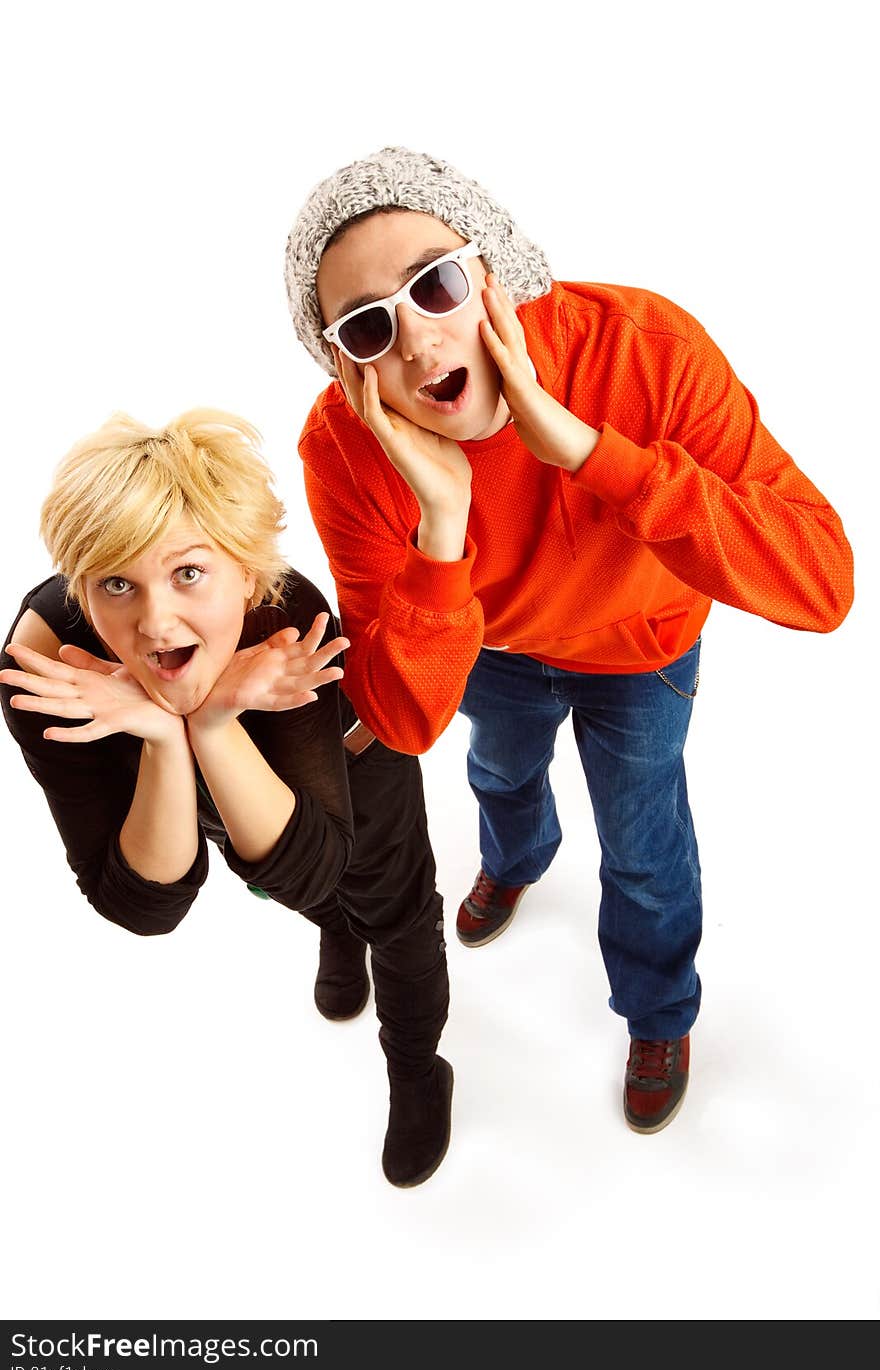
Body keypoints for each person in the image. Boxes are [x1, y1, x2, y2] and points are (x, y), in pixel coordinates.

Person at [283, 146, 854, 1136]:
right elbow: (405, 716)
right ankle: (516, 858)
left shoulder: (642, 347)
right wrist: (442, 523)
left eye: (437, 283)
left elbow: (821, 583)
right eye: (371, 327)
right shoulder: (341, 446)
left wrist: (590, 455)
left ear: (494, 268)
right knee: (498, 778)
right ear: (346, 363)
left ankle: (658, 1015)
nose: (418, 346)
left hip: (641, 654)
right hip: (493, 654)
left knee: (642, 846)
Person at [0, 408, 452, 1186]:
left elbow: (315, 860)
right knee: (310, 894)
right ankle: (337, 936)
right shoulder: (46, 669)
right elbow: (146, 904)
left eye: (188, 573)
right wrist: (171, 735)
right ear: (79, 584)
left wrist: (209, 721)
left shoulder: (287, 614)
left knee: (393, 912)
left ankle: (416, 1068)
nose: (155, 624)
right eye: (116, 584)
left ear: (246, 570)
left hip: (352, 758)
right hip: (204, 789)